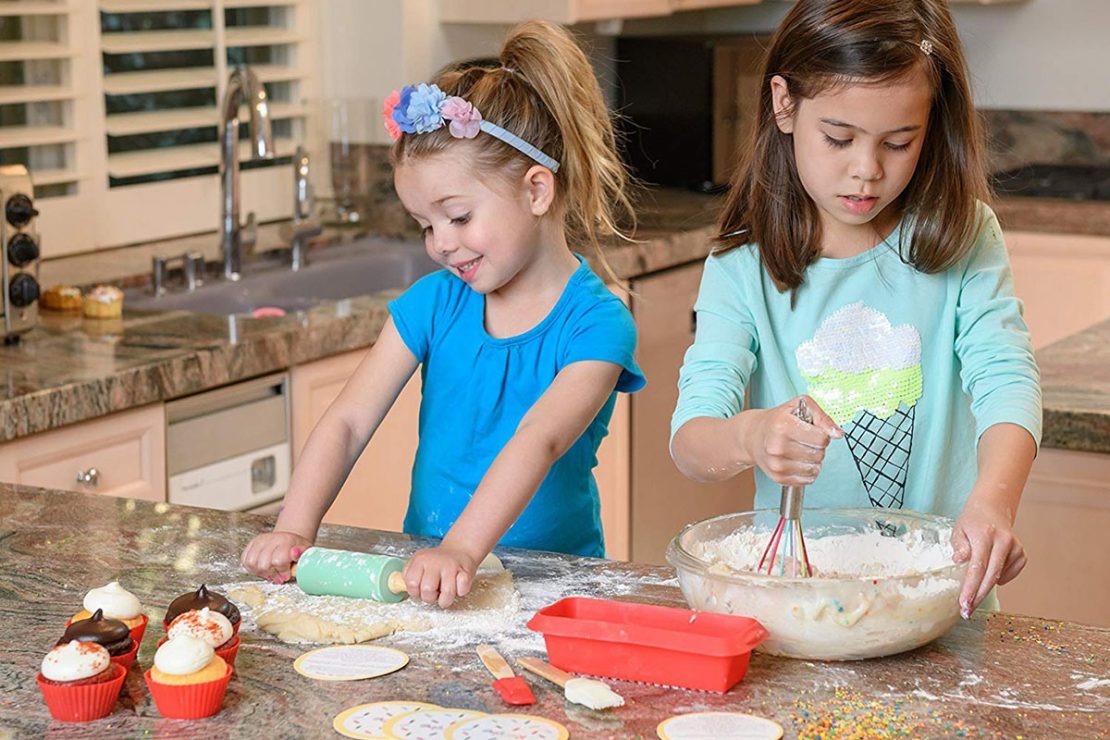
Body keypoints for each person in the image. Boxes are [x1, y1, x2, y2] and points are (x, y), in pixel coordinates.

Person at [242, 20, 644, 607]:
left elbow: (539, 439)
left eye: (457, 216)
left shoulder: (598, 324)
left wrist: (462, 548)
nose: (441, 243)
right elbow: (349, 421)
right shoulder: (434, 303)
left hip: (552, 588)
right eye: (425, 225)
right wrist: (294, 527)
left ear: (536, 191)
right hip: (433, 580)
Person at [669, 0, 1041, 619]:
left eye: (899, 142)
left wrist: (993, 503)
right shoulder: (741, 267)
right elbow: (691, 440)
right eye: (838, 138)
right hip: (797, 604)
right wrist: (752, 435)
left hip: (941, 599)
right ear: (784, 105)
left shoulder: (965, 235)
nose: (867, 172)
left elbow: (1006, 377)